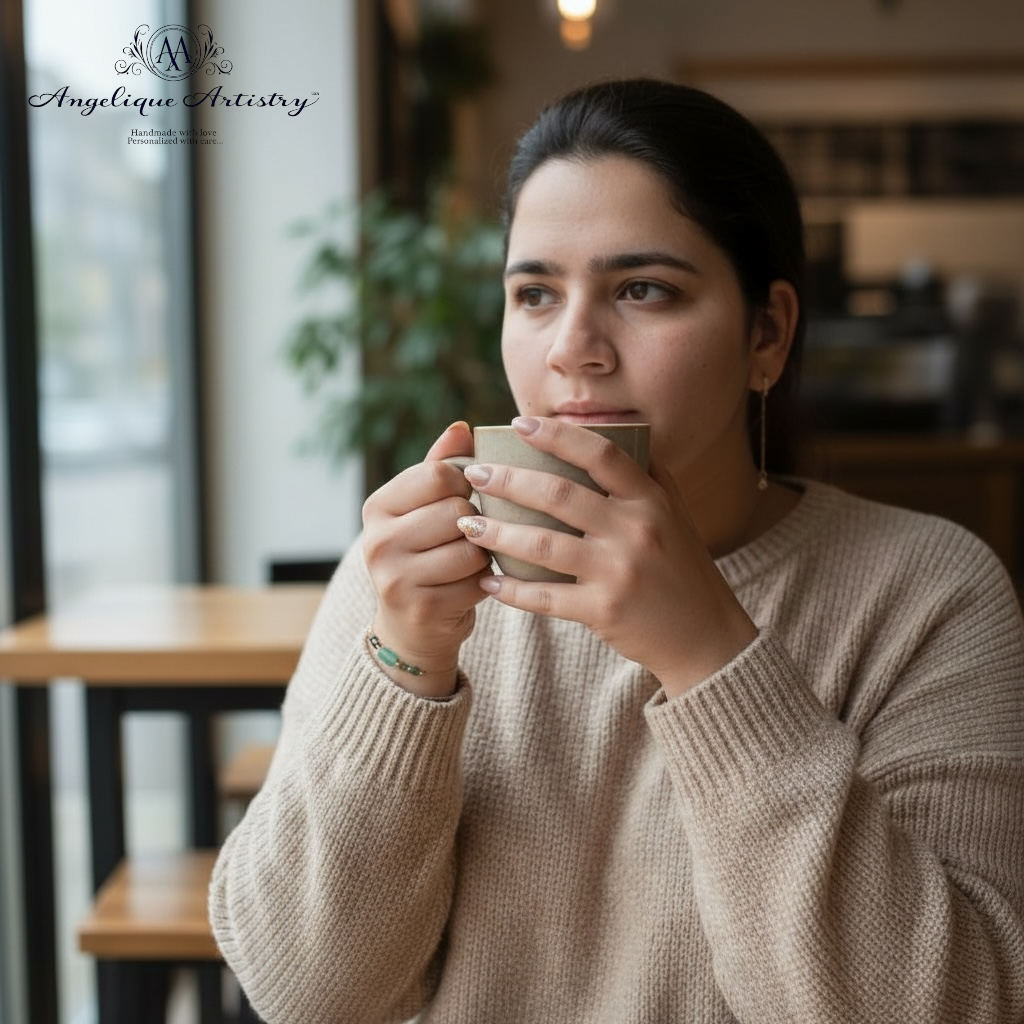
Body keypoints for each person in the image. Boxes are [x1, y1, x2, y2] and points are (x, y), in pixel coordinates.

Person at [209, 79, 1024, 1023]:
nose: (574, 348)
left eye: (644, 289)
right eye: (536, 293)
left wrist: (710, 655)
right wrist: (405, 664)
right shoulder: (411, 576)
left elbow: (951, 1006)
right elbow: (304, 992)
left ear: (768, 336)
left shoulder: (929, 592)